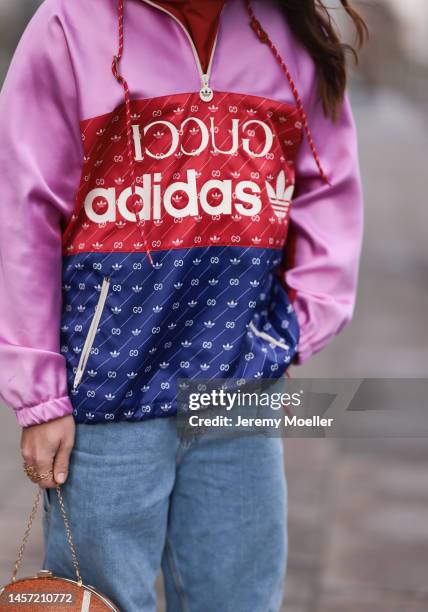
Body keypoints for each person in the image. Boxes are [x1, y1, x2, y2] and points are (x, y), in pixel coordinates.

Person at [0, 0, 366, 610]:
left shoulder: (286, 34)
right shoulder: (69, 22)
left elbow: (328, 181)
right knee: (103, 600)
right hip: (106, 395)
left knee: (240, 599)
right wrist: (38, 393)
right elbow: (22, 210)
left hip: (238, 388)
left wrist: (299, 323)